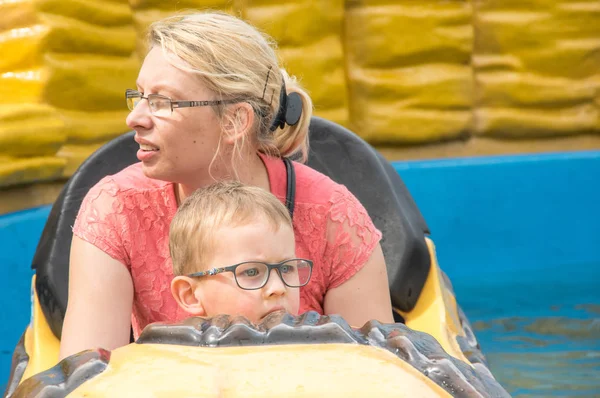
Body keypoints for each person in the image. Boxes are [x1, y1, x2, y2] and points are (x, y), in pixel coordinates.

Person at [59, 10, 393, 360]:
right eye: (140, 96)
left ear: (235, 120)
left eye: (162, 102)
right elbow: (84, 377)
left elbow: (378, 373)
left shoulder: (332, 217)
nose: (135, 118)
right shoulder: (116, 210)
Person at [169, 180, 311, 323]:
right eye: (252, 272)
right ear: (191, 295)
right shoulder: (171, 345)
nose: (278, 288)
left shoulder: (318, 342)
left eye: (286, 268)